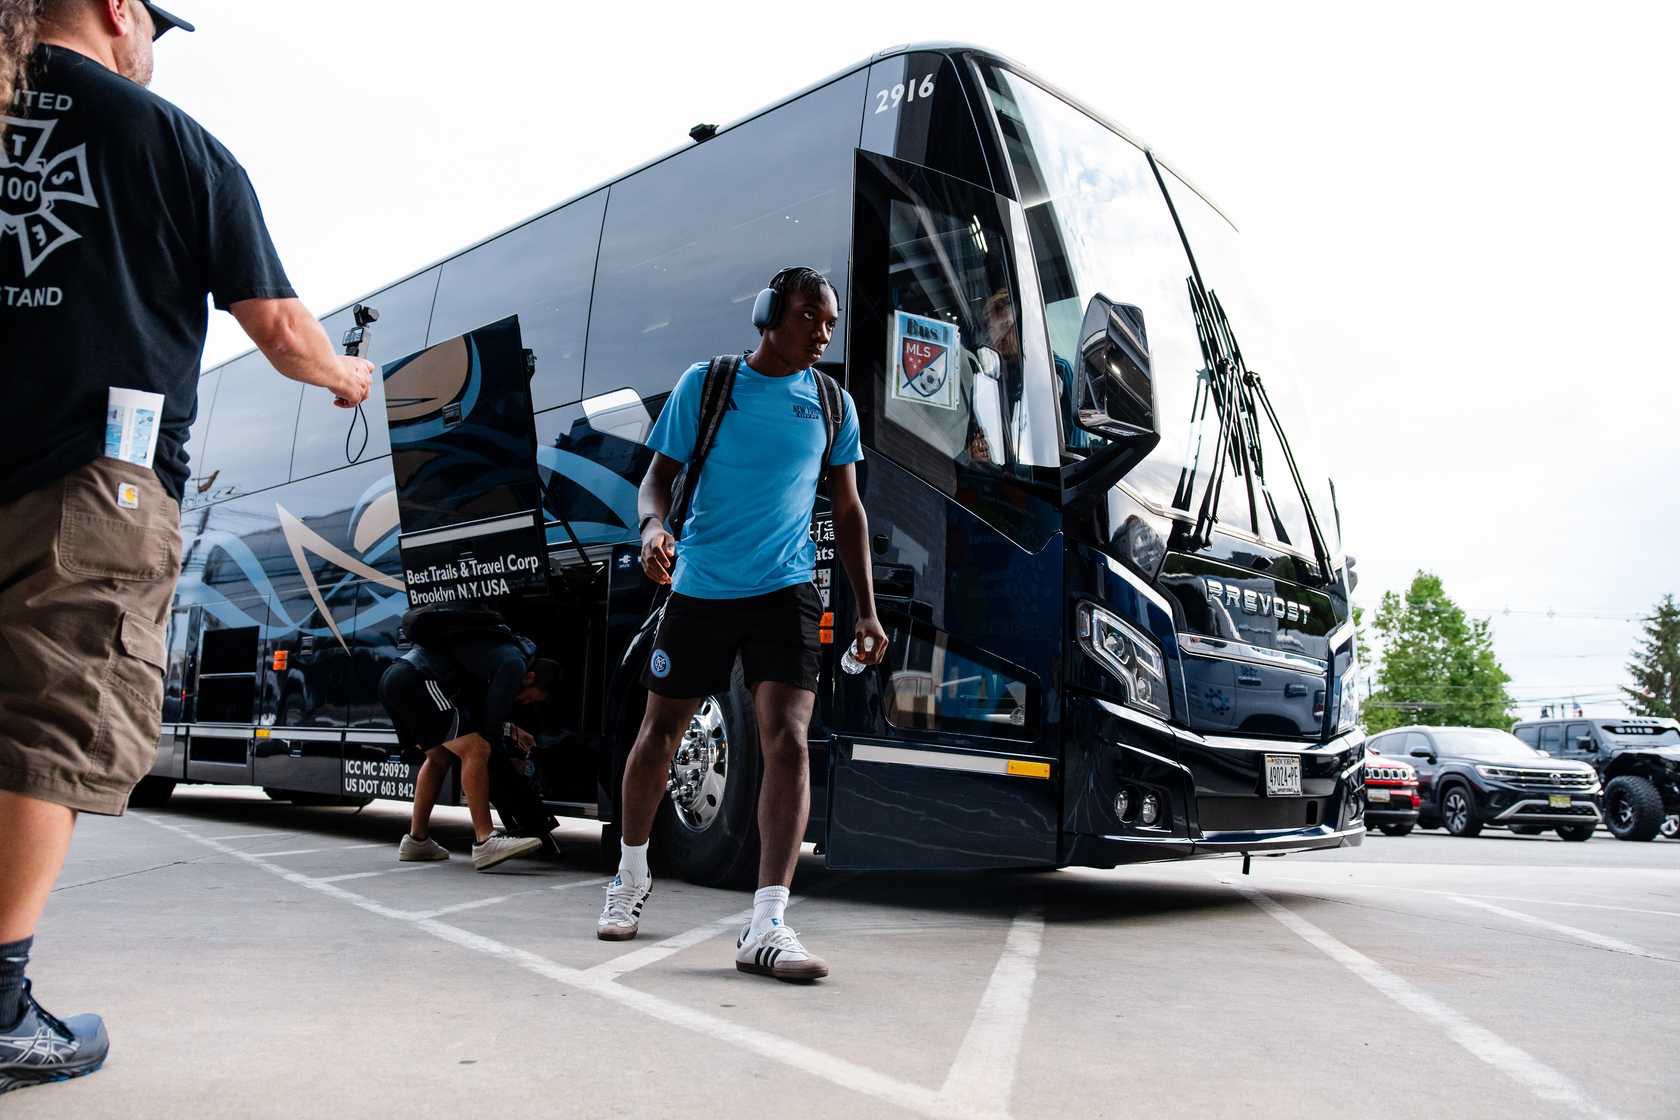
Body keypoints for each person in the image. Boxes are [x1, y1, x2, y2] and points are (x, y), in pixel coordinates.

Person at [0, 1, 372, 1095]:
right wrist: (349, 376)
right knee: (45, 724)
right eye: (151, 28)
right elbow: (283, 331)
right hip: (88, 484)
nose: (150, 51)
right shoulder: (168, 141)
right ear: (116, 8)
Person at [597, 266, 887, 983]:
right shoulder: (709, 384)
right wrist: (652, 529)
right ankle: (630, 875)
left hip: (785, 589)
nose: (822, 333)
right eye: (808, 316)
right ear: (768, 313)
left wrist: (867, 609)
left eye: (830, 321)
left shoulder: (831, 403)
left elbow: (849, 509)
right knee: (660, 734)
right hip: (700, 586)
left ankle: (767, 923)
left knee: (788, 739)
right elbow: (656, 479)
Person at [379, 611, 559, 870]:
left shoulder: (498, 652)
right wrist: (511, 759)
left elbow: (482, 714)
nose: (524, 701)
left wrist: (511, 730)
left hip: (396, 676)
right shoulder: (515, 664)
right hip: (418, 678)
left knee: (439, 757)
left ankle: (416, 841)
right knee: (477, 748)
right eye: (531, 697)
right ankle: (485, 840)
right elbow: (491, 723)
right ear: (530, 678)